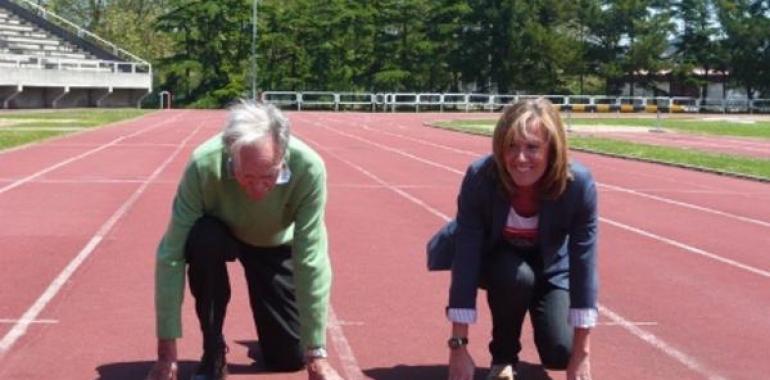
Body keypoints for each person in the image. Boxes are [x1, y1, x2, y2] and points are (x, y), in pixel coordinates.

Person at [145, 100, 342, 380]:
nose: (258, 189)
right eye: (246, 176)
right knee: (202, 238)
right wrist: (166, 353)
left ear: (283, 155)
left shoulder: (309, 168)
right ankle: (213, 349)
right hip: (220, 234)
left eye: (270, 176)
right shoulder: (203, 164)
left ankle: (279, 343)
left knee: (288, 359)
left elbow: (311, 257)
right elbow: (171, 254)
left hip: (272, 242)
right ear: (230, 155)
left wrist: (317, 354)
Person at [435, 98, 598, 380]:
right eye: (511, 146)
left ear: (553, 149)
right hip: (497, 262)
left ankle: (543, 313)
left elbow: (584, 264)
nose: (520, 158)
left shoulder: (578, 184)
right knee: (516, 277)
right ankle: (503, 357)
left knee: (561, 352)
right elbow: (466, 257)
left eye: (532, 147)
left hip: (550, 267)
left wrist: (582, 353)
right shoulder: (481, 177)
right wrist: (457, 347)